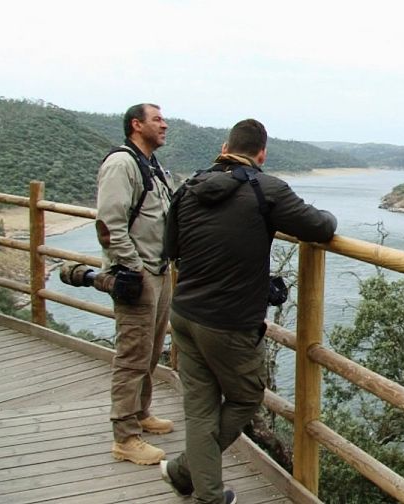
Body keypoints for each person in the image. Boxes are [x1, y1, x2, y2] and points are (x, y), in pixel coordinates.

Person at [159, 119, 337, 504]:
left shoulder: (189, 189)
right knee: (245, 398)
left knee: (200, 408)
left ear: (224, 147)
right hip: (228, 323)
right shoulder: (266, 189)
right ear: (262, 154)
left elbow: (170, 248)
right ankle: (186, 471)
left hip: (185, 314)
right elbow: (320, 226)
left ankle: (199, 487)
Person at [96, 103, 175, 465]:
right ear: (136, 124)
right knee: (132, 355)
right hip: (138, 275)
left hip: (159, 272)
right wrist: (135, 269)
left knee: (150, 348)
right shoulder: (122, 164)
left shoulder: (152, 166)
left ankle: (141, 413)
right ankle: (124, 436)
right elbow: (109, 228)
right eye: (157, 119)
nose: (165, 125)